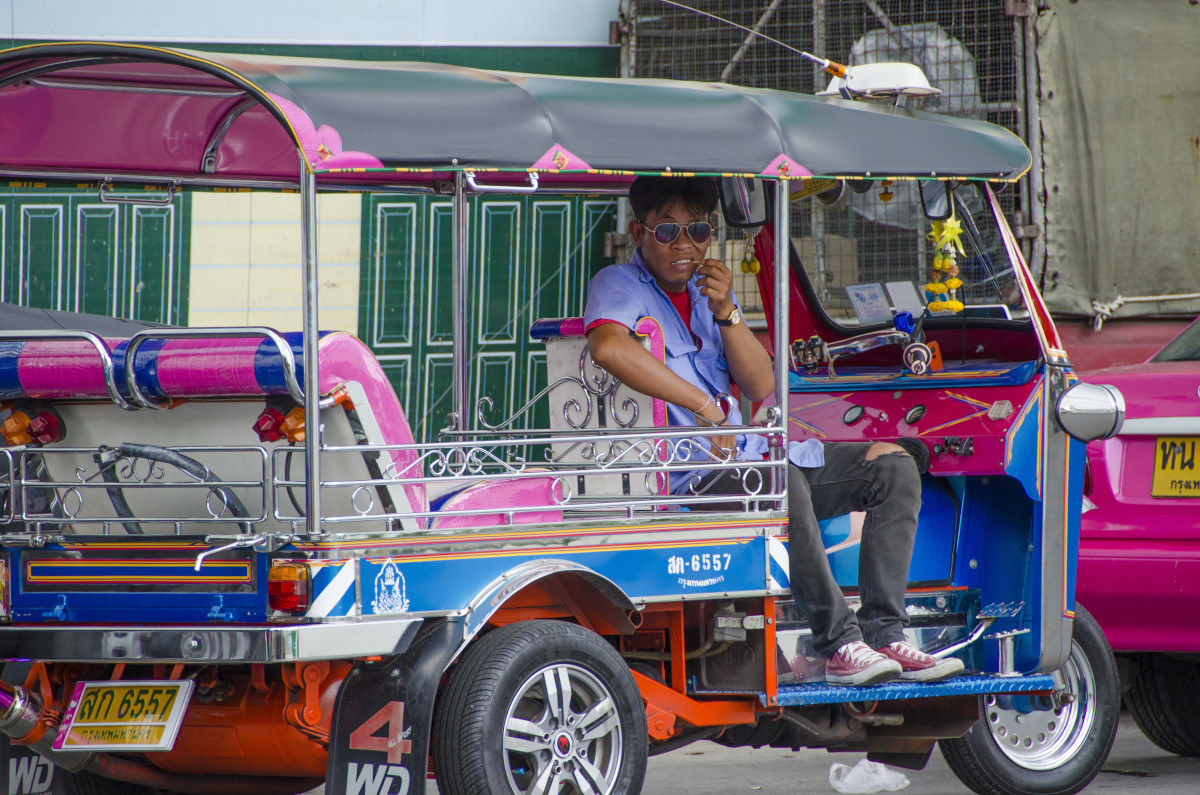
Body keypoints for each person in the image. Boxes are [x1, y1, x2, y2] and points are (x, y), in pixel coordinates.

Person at [583, 176, 964, 686]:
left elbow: (761, 383)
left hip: (751, 460)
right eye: (667, 231)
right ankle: (838, 643)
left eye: (697, 230)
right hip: (686, 477)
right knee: (780, 479)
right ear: (637, 232)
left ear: (711, 234)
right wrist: (703, 405)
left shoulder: (706, 293)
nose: (684, 245)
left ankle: (885, 632)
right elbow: (608, 347)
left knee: (893, 467)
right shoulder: (618, 283)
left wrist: (727, 312)